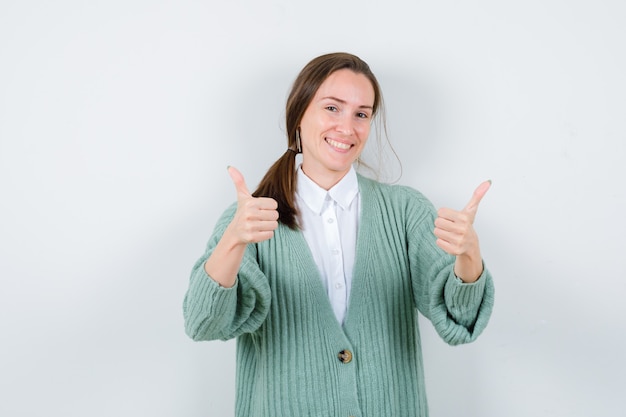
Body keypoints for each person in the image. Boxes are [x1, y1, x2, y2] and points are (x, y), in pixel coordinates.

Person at [183, 52, 495, 417]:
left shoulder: (406, 211)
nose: (348, 128)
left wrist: (469, 256)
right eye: (333, 108)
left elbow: (461, 320)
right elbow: (203, 323)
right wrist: (232, 242)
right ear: (299, 114)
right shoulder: (250, 219)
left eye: (361, 114)